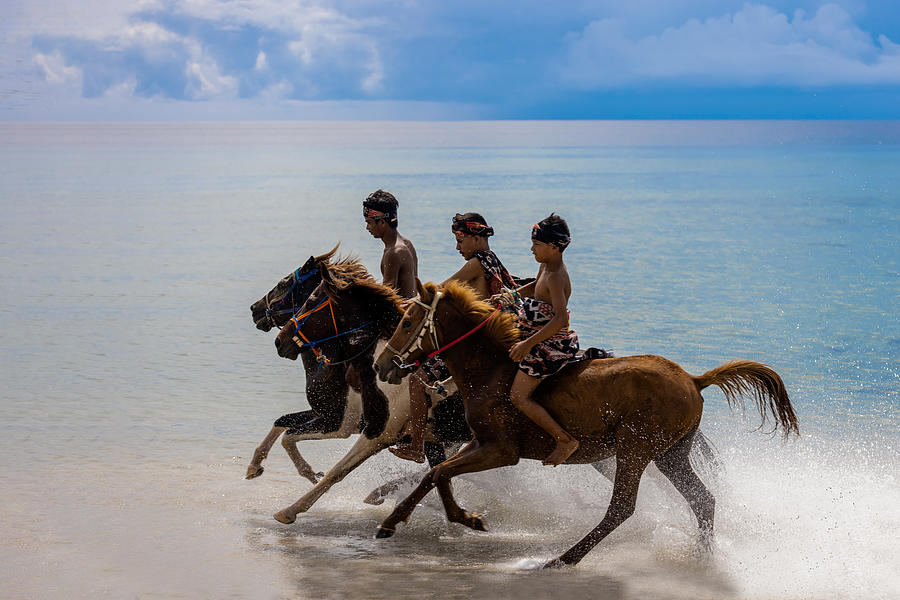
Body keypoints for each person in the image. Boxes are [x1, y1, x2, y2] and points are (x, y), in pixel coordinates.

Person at [389, 212, 518, 463]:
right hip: (486, 338)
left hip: (475, 344)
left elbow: (440, 291)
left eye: (460, 240)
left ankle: (416, 446)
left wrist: (410, 308)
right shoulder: (493, 260)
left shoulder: (477, 262)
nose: (457, 247)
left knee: (417, 380)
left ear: (477, 238)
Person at [493, 214, 581, 466]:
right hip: (534, 336)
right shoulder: (545, 267)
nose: (531, 249)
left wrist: (527, 344)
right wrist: (510, 296)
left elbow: (560, 319)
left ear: (554, 247)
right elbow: (534, 288)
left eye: (537, 245)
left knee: (518, 397)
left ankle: (564, 440)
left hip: (550, 345)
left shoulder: (556, 276)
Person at [363, 190, 418, 299]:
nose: (367, 228)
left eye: (369, 222)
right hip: (412, 309)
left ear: (382, 223)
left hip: (402, 313)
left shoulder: (394, 252)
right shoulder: (407, 244)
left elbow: (386, 298)